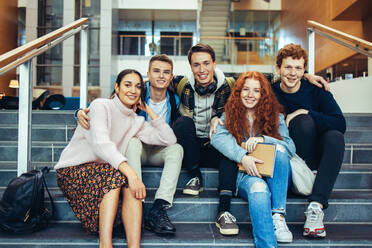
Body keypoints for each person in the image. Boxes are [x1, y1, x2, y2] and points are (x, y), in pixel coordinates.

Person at [55, 69, 177, 248]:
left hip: (107, 172)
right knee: (119, 176)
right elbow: (101, 144)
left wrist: (148, 110)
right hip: (75, 169)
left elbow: (169, 139)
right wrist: (132, 174)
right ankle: (105, 244)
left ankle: (134, 246)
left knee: (127, 183)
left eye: (138, 87)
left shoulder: (136, 121)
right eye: (127, 85)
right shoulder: (100, 105)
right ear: (117, 87)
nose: (133, 90)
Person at [77, 55, 183, 235]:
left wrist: (147, 109)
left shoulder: (174, 100)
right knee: (133, 142)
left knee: (177, 148)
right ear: (148, 74)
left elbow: (170, 137)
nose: (161, 76)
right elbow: (107, 107)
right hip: (134, 149)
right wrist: (78, 112)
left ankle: (159, 207)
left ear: (171, 76)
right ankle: (136, 204)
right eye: (156, 71)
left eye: (166, 72)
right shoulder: (135, 91)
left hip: (157, 148)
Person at [211, 71, 296, 247]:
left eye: (256, 91)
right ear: (238, 92)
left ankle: (278, 215)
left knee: (279, 149)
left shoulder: (276, 116)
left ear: (263, 94)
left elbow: (290, 147)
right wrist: (243, 157)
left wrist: (263, 139)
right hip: (246, 175)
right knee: (259, 189)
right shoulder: (231, 114)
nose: (250, 95)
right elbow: (217, 137)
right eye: (246, 90)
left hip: (275, 175)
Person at [272, 43, 346, 238]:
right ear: (278, 68)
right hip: (288, 161)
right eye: (288, 67)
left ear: (304, 69)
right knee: (303, 123)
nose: (293, 73)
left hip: (314, 158)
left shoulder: (316, 89)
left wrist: (305, 112)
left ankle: (316, 206)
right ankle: (304, 179)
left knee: (335, 137)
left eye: (298, 68)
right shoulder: (269, 92)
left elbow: (340, 122)